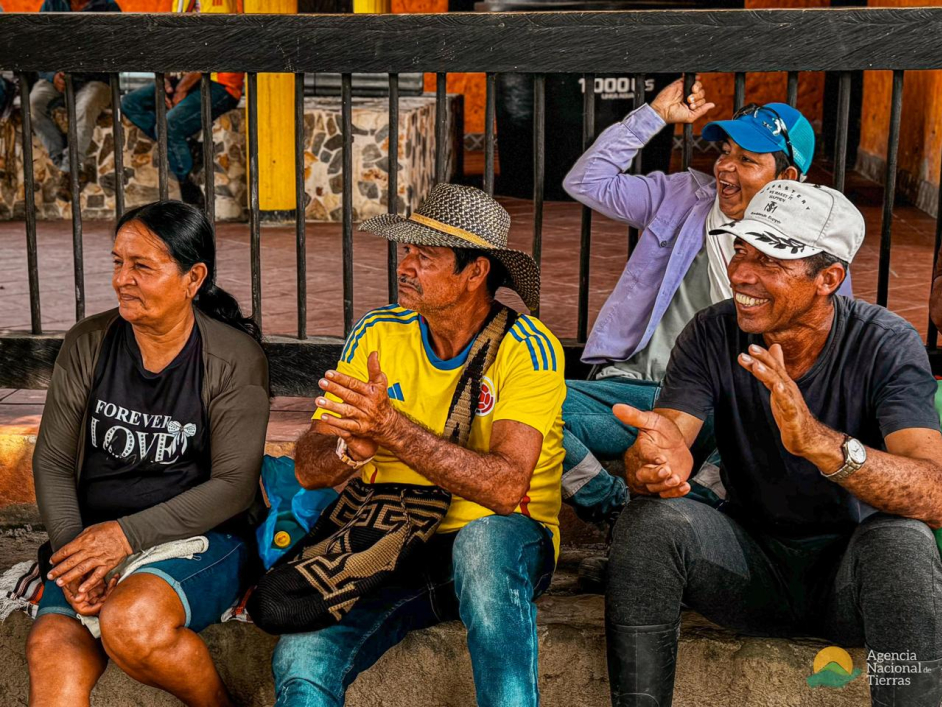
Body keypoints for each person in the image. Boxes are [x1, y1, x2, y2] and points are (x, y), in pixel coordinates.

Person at [605, 181, 942, 706]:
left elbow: (935, 493)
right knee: (651, 524)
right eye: (741, 249)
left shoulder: (885, 342)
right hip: (748, 566)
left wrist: (818, 443)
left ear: (829, 278)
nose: (741, 272)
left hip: (853, 581)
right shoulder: (713, 333)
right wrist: (651, 460)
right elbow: (667, 438)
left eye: (771, 261)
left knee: (904, 543)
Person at [271, 183, 566, 707]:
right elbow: (309, 471)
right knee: (299, 659)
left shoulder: (529, 349)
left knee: (481, 546)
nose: (404, 266)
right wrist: (349, 451)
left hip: (501, 541)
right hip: (394, 537)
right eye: (406, 250)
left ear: (475, 273)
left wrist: (390, 429)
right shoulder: (378, 333)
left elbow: (504, 488)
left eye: (425, 257)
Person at [560, 76, 853, 528]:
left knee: (768, 435)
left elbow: (825, 351)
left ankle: (671, 526)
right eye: (724, 153)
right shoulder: (680, 196)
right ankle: (615, 508)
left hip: (731, 406)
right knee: (527, 403)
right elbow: (586, 181)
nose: (725, 168)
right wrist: (653, 116)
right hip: (638, 388)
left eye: (747, 160)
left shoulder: (815, 250)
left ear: (789, 178)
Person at [27, 201, 269, 707]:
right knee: (50, 650)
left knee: (131, 622)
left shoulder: (230, 358)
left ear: (192, 277)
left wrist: (124, 537)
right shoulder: (89, 342)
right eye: (117, 262)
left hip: (197, 537)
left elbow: (234, 486)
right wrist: (77, 562)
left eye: (142, 267)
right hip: (90, 540)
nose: (122, 280)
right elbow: (51, 461)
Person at [120, 0, 243, 207]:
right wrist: (166, 80)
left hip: (219, 82)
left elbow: (214, 48)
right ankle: (184, 147)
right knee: (131, 103)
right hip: (184, 77)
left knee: (168, 126)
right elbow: (173, 41)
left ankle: (189, 189)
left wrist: (182, 88)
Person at [29, 0, 121, 201]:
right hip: (57, 77)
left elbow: (115, 55)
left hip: (96, 80)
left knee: (85, 107)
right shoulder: (51, 4)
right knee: (33, 104)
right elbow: (39, 48)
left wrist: (76, 72)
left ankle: (68, 171)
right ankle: (65, 164)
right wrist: (53, 75)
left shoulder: (107, 7)